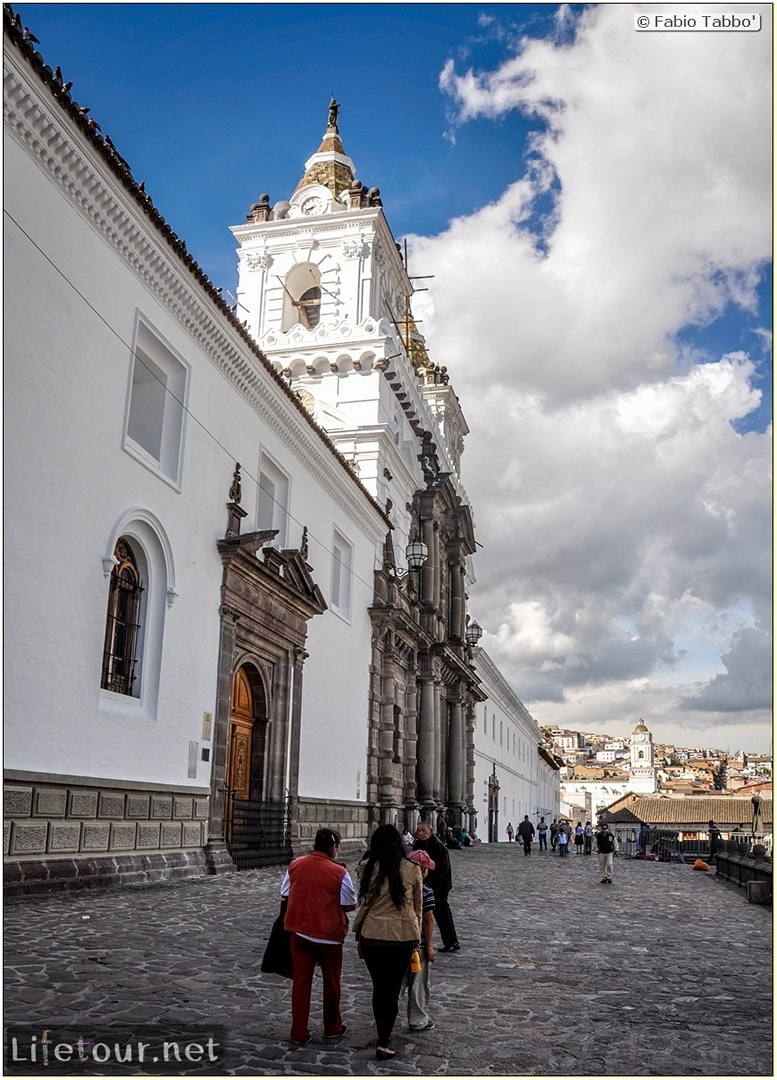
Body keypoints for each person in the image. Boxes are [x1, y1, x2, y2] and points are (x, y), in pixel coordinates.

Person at [281, 827, 356, 1045]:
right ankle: (332, 1027)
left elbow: (285, 892)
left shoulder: (295, 864)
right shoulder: (339, 872)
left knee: (301, 983)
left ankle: (298, 1032)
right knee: (332, 983)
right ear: (334, 848)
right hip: (328, 937)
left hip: (299, 932)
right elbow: (349, 903)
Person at [356, 825, 422, 1061]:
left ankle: (381, 1032)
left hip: (372, 935)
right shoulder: (412, 869)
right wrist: (418, 937)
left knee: (379, 988)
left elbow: (363, 898)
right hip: (401, 937)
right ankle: (384, 1040)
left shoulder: (366, 867)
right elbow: (418, 907)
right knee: (392, 990)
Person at [401, 849, 437, 1032]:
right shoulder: (426, 890)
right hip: (418, 946)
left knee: (396, 982)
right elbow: (429, 919)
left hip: (399, 940)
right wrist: (429, 946)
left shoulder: (400, 885)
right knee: (419, 984)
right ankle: (418, 1019)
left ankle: (386, 1016)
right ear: (423, 870)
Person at [414, 822, 460, 952]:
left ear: (430, 831)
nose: (421, 833)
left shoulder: (438, 847)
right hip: (425, 884)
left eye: (423, 830)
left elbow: (442, 869)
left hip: (439, 886)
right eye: (419, 831)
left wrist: (428, 879)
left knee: (442, 914)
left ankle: (452, 941)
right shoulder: (418, 845)